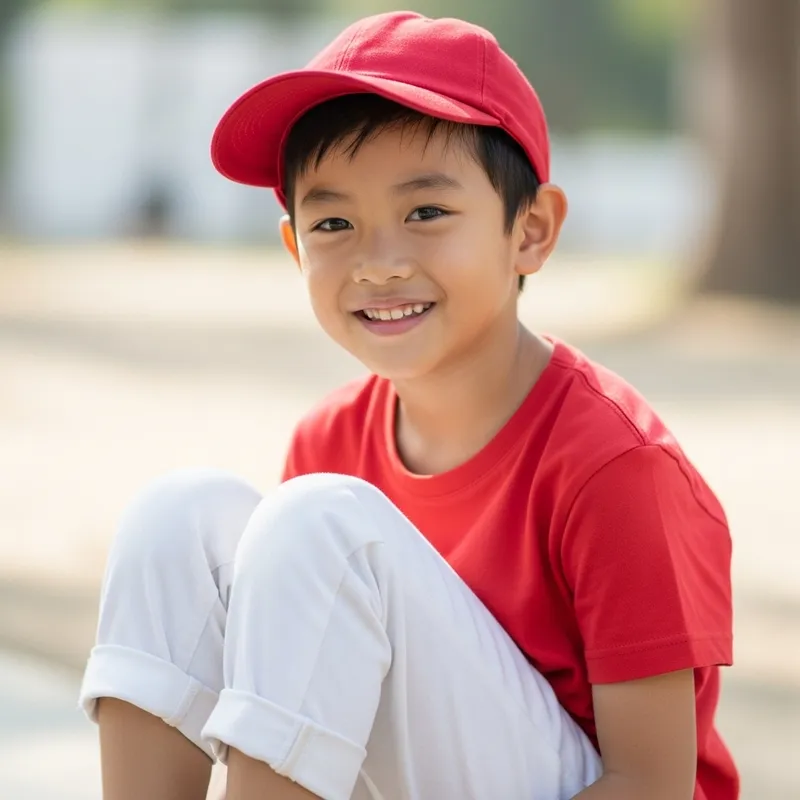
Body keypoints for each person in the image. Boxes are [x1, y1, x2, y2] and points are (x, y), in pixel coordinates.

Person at [78, 11, 738, 800]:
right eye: (333, 223)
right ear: (295, 249)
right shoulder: (329, 442)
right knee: (180, 513)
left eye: (425, 213)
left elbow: (653, 785)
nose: (379, 262)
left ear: (530, 230)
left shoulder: (615, 465)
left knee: (318, 521)